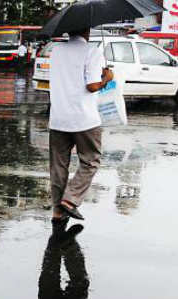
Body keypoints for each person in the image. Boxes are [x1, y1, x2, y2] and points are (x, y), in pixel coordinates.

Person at [49, 27, 114, 221]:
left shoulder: (56, 50)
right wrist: (106, 78)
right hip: (84, 119)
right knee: (91, 160)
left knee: (58, 165)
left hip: (59, 117)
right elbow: (92, 85)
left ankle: (57, 211)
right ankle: (70, 200)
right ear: (86, 30)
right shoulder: (92, 51)